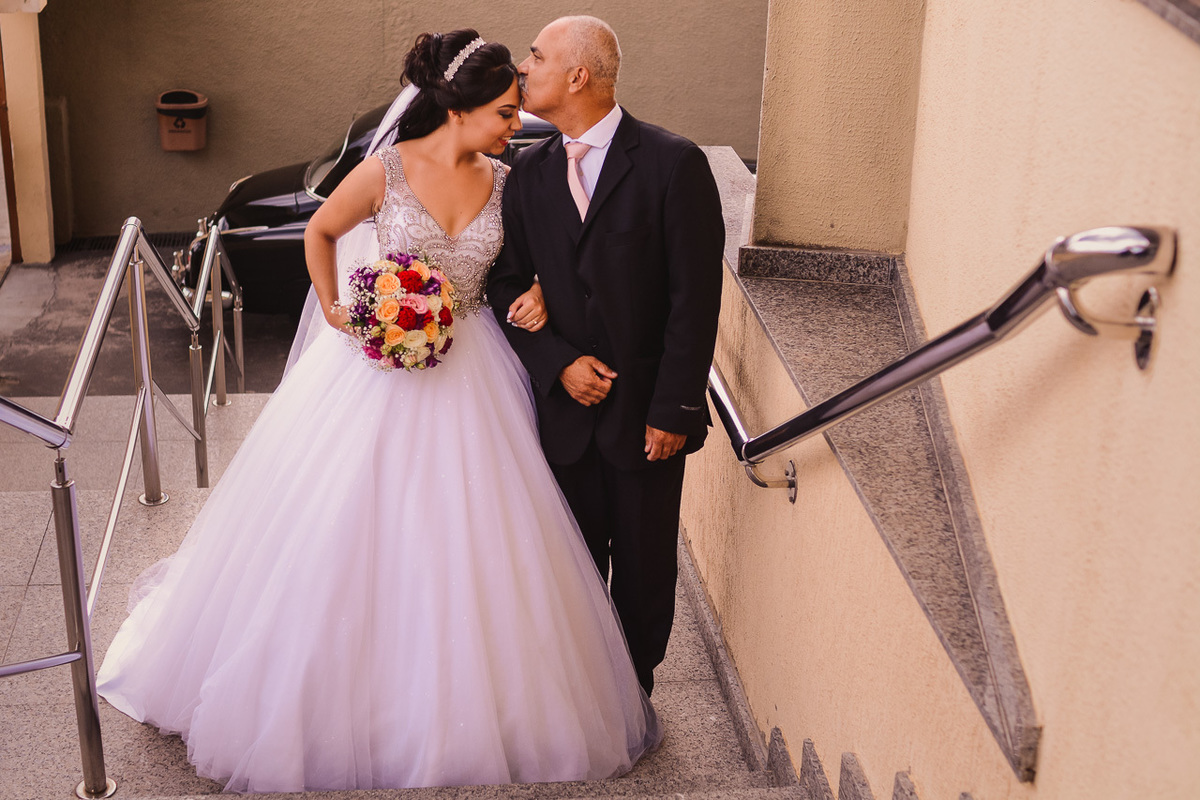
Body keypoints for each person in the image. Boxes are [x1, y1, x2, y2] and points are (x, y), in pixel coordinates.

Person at [96, 29, 659, 793]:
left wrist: (537, 294)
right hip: (376, 369)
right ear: (458, 108)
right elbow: (323, 232)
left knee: (474, 532)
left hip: (476, 369)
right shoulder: (386, 170)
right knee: (347, 520)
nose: (513, 123)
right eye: (502, 111)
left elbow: (530, 268)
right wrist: (339, 307)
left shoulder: (507, 182)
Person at [486, 16, 724, 696]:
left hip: (648, 416)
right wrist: (556, 360)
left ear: (578, 75)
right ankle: (579, 698)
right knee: (570, 565)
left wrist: (675, 407)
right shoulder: (527, 172)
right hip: (562, 417)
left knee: (646, 571)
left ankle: (632, 695)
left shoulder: (673, 164)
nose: (524, 66)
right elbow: (505, 281)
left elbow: (694, 299)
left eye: (537, 56)